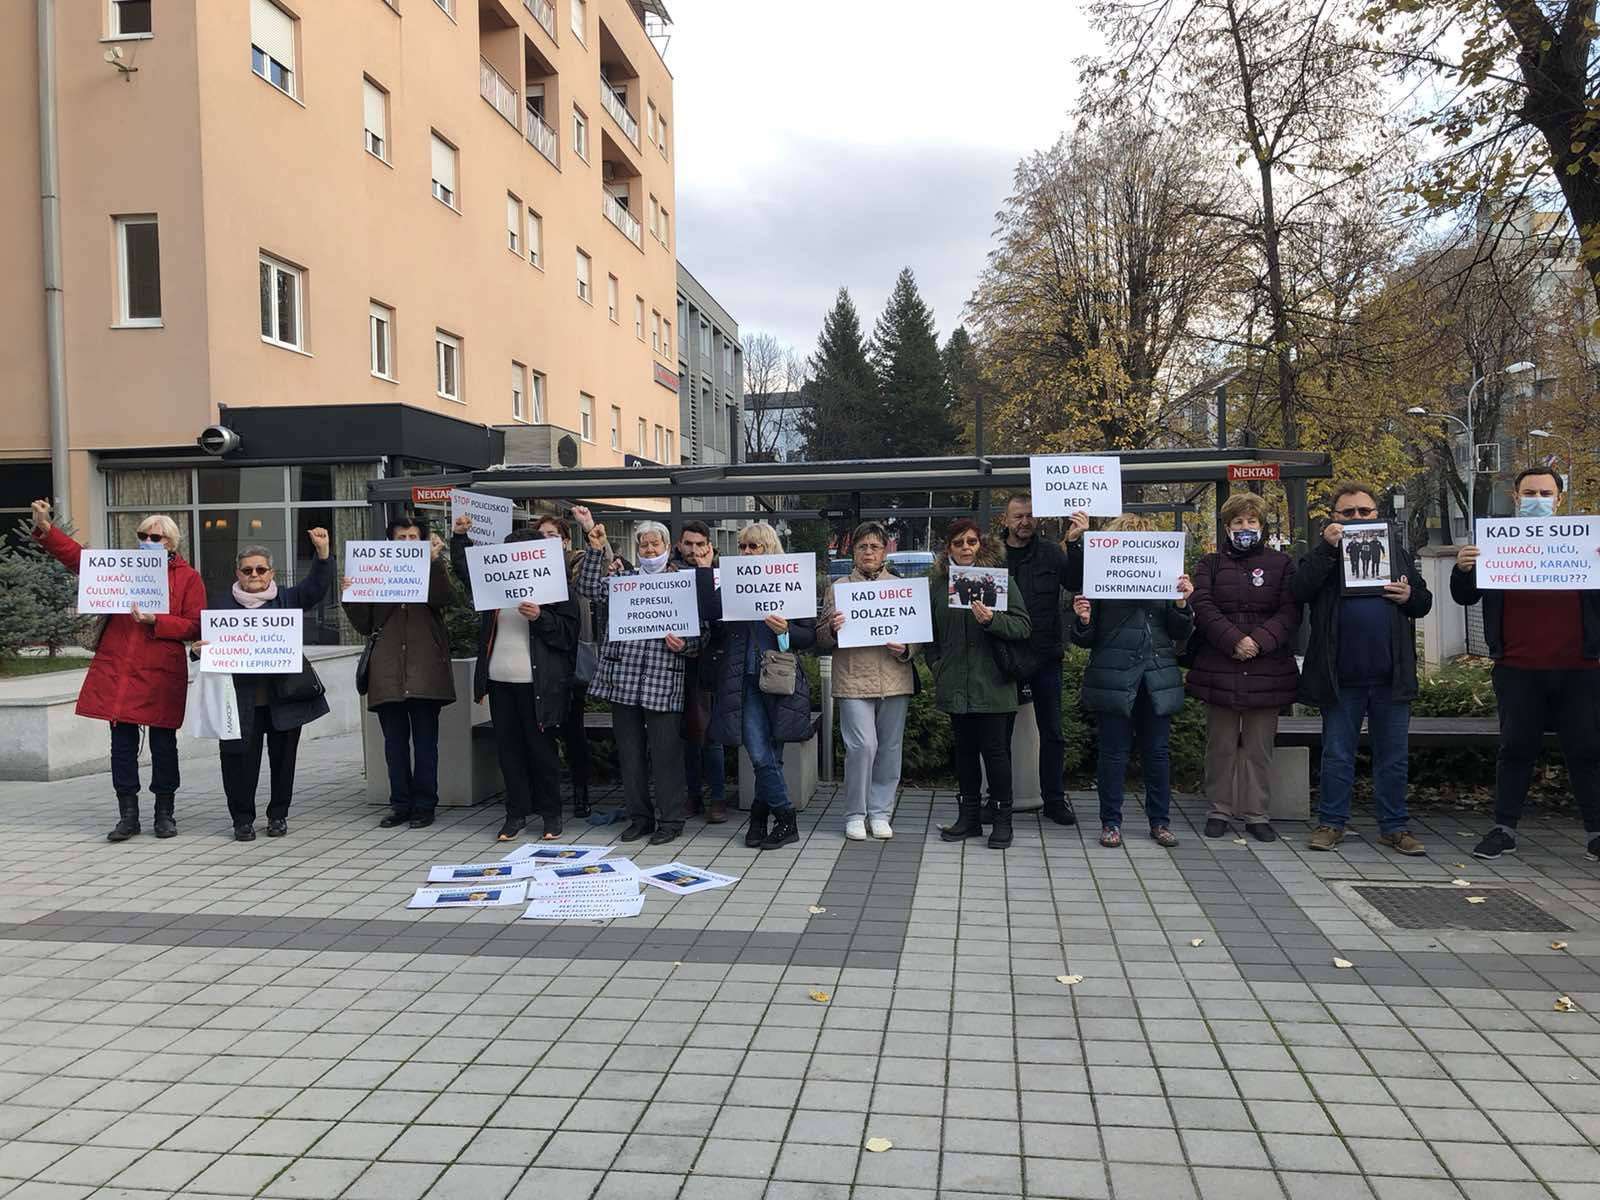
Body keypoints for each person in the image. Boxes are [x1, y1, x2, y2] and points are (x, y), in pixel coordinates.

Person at [30, 500, 205, 841]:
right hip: (120, 668)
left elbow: (195, 625)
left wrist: (157, 620)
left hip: (160, 671)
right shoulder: (124, 568)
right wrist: (47, 529)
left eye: (155, 537)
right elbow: (78, 559)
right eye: (142, 535)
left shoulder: (188, 577)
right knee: (122, 747)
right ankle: (128, 816)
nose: (147, 541)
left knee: (164, 746)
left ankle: (164, 813)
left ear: (171, 542)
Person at [1453, 468, 1600, 862]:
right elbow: (1464, 596)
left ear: (1560, 499)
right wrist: (1463, 568)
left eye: (1545, 493)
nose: (1538, 500)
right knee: (1515, 748)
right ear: (1515, 498)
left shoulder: (1586, 543)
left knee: (1587, 749)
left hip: (1580, 668)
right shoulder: (1495, 543)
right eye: (1530, 493)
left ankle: (1596, 832)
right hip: (1517, 668)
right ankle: (1504, 829)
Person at [1292, 482, 1432, 855]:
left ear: (1377, 514)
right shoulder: (1321, 554)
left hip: (1390, 677)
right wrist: (1327, 548)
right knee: (1337, 754)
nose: (1357, 517)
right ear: (1333, 517)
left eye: (1364, 511)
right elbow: (1299, 590)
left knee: (1393, 757)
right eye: (1348, 512)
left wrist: (1410, 596)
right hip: (1341, 678)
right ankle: (1331, 823)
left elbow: (1423, 602)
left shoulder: (1396, 553)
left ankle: (1394, 827)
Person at [573, 508, 698, 845]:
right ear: (637, 549)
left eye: (655, 544)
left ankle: (671, 820)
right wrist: (595, 548)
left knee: (666, 755)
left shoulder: (682, 583)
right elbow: (588, 588)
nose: (649, 550)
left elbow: (700, 637)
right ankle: (639, 817)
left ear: (668, 547)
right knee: (630, 755)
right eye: (643, 545)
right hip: (624, 681)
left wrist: (685, 645)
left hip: (663, 681)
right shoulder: (624, 581)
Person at [452, 518, 580, 842]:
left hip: (539, 686)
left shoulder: (557, 589)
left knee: (542, 752)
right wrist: (459, 538)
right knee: (509, 752)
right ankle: (515, 814)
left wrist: (541, 617)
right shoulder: (494, 589)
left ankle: (551, 815)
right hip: (500, 682)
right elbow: (467, 572)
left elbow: (568, 635)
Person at [1071, 515, 1194, 849]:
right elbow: (1084, 639)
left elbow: (1181, 631)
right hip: (1115, 676)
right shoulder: (1100, 580)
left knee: (1157, 753)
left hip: (1156, 677)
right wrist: (1084, 619)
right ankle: (1111, 822)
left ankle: (1160, 822)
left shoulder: (1167, 578)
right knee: (1113, 753)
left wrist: (1182, 602)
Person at [1185, 493, 1300, 842]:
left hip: (1267, 668)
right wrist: (1234, 640)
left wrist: (1259, 642)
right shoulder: (1210, 564)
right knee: (1219, 746)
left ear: (1262, 526)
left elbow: (1290, 611)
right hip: (1220, 665)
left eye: (1251, 521)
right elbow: (1202, 605)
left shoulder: (1282, 564)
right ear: (1227, 527)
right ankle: (1218, 810)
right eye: (1238, 522)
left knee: (1259, 749)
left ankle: (1256, 814)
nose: (1245, 527)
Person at [704, 522, 818, 851]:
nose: (746, 552)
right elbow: (711, 614)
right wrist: (718, 577)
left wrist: (785, 630)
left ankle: (759, 817)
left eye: (754, 546)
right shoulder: (733, 582)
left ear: (769, 549)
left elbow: (808, 636)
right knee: (758, 753)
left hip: (779, 677)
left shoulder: (791, 582)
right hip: (744, 680)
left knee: (773, 756)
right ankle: (785, 816)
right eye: (742, 546)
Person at [214, 530, 334, 841]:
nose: (254, 575)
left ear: (271, 573)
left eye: (260, 569)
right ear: (238, 573)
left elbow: (315, 588)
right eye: (247, 570)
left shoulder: (287, 600)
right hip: (240, 701)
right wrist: (199, 650)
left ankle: (278, 816)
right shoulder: (221, 606)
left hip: (284, 699)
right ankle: (242, 820)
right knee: (238, 762)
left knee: (283, 762)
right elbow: (205, 643)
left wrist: (322, 554)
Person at [343, 512, 457, 830]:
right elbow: (365, 625)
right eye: (401, 537)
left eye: (413, 537)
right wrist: (350, 595)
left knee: (425, 743)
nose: (407, 543)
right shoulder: (375, 571)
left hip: (425, 671)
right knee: (394, 745)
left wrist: (433, 562)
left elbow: (445, 599)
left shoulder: (432, 567)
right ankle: (400, 804)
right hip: (387, 672)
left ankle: (425, 805)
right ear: (389, 541)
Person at [926, 518, 1032, 849]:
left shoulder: (998, 581)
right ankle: (969, 818)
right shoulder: (939, 586)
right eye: (958, 543)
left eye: (971, 541)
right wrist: (937, 667)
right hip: (956, 684)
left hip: (993, 684)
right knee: (965, 753)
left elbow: (1023, 626)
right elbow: (931, 636)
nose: (965, 548)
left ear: (980, 544)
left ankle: (1002, 820)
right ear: (949, 548)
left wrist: (992, 620)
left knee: (996, 754)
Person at [817, 522, 916, 840]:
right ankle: (855, 813)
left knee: (890, 748)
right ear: (853, 552)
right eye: (862, 547)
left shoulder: (900, 587)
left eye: (875, 546)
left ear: (884, 551)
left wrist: (907, 648)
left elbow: (917, 635)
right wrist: (832, 629)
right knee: (862, 746)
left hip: (894, 677)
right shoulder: (838, 588)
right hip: (853, 678)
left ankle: (880, 812)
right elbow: (820, 638)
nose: (869, 552)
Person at [1001, 493, 1087, 826]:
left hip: (1046, 654)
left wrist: (1075, 542)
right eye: (1018, 516)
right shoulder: (992, 556)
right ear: (1006, 520)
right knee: (999, 734)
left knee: (1052, 731)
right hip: (1005, 656)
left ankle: (1054, 800)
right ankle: (999, 799)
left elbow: (1076, 582)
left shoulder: (1052, 552)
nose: (1025, 522)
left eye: (1030, 516)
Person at [536, 512, 593, 820]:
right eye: (541, 535)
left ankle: (581, 793)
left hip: (572, 657)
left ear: (566, 542)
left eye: (552, 535)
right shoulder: (527, 571)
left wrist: (589, 529)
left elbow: (597, 568)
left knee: (574, 731)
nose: (546, 540)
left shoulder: (577, 564)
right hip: (540, 661)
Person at [672, 521, 729, 824]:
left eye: (699, 544)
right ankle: (693, 795)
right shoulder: (667, 574)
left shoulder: (721, 576)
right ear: (679, 545)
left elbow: (719, 622)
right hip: (673, 664)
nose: (694, 550)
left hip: (709, 663)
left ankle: (718, 798)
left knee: (710, 735)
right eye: (688, 543)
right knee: (686, 736)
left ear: (709, 547)